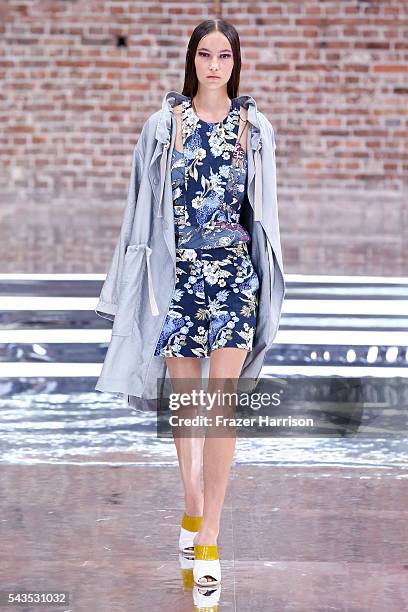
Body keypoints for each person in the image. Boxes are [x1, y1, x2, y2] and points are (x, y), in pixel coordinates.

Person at [94, 17, 286, 589]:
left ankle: (209, 539)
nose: (214, 66)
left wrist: (269, 284)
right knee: (186, 404)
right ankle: (193, 499)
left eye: (224, 56)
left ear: (235, 63)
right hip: (177, 278)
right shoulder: (162, 127)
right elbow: (139, 212)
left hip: (233, 277)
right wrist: (126, 284)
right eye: (205, 54)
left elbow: (267, 219)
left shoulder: (255, 128)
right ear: (192, 59)